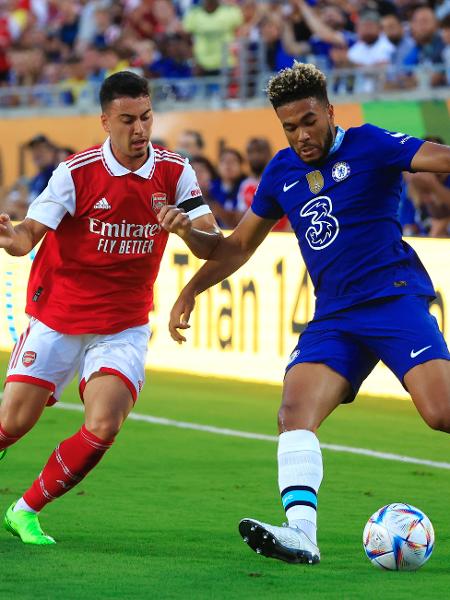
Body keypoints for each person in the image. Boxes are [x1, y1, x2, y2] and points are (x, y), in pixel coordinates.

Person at [169, 62, 450, 565]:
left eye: (309, 121)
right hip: (335, 317)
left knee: (441, 413)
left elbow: (439, 158)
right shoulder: (281, 171)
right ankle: (302, 534)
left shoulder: (372, 143)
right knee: (293, 413)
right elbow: (236, 247)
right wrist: (191, 288)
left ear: (329, 112)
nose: (301, 135)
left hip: (393, 298)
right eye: (290, 127)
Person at [0, 71, 221, 546]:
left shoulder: (174, 171)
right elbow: (26, 239)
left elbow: (212, 244)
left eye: (145, 118)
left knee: (103, 425)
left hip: (122, 326)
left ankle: (25, 511)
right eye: (127, 120)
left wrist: (185, 230)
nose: (139, 130)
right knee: (12, 423)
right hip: (58, 316)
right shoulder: (75, 173)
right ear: (105, 121)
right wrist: (9, 237)